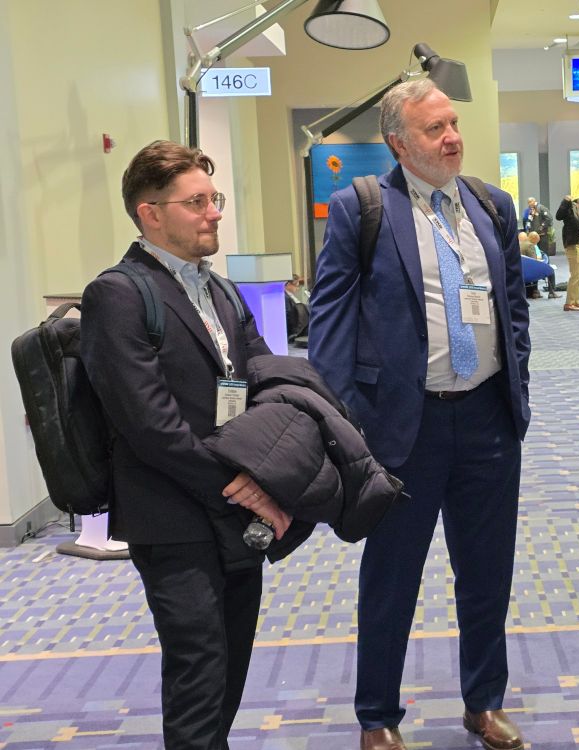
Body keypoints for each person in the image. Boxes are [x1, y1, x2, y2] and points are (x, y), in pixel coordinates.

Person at [308, 79, 531, 750]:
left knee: (488, 575)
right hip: (403, 429)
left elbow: (511, 306)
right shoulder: (362, 208)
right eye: (435, 130)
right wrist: (348, 421)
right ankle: (377, 716)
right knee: (392, 578)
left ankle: (483, 703)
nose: (452, 137)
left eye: (454, 123)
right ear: (399, 143)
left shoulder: (492, 206)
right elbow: (330, 323)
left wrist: (517, 377)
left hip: (488, 418)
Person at [80, 140, 292, 749]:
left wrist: (270, 465)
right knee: (198, 670)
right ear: (151, 213)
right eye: (196, 202)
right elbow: (150, 426)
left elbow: (264, 376)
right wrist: (239, 487)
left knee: (231, 665)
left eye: (214, 198)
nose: (213, 212)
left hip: (236, 507)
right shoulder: (118, 295)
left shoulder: (219, 290)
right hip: (172, 516)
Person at [556, 194, 579, 311]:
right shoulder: (570, 208)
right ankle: (569, 303)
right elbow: (558, 216)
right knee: (575, 275)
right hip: (572, 245)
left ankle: (576, 301)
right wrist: (565, 201)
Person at [528, 229, 559, 298]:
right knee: (551, 270)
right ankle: (551, 292)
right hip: (534, 270)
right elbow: (537, 259)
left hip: (526, 270)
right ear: (536, 239)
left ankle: (535, 291)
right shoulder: (533, 247)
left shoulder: (523, 245)